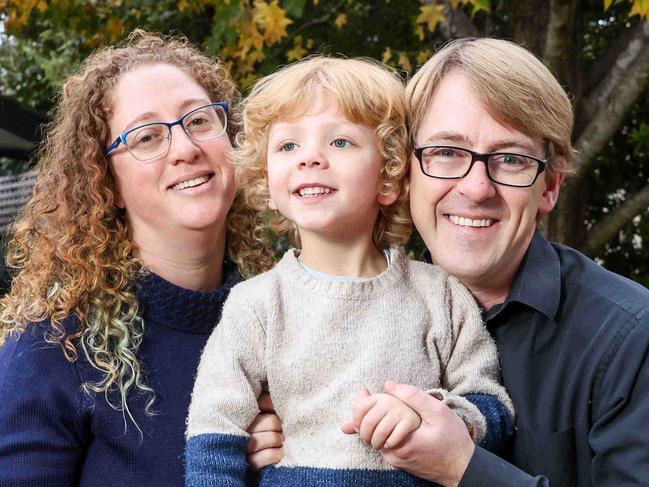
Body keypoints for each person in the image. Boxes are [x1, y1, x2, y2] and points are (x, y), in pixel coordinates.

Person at [184, 55, 514, 486]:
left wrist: (433, 415)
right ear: (268, 184)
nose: (310, 158)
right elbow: (214, 430)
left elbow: (492, 407)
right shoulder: (256, 304)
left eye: (339, 142)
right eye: (288, 146)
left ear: (388, 177)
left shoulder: (441, 295)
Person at [343, 37, 649, 486]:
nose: (476, 188)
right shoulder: (347, 308)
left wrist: (462, 468)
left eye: (510, 159)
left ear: (549, 186)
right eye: (447, 152)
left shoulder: (630, 339)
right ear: (406, 171)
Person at [0, 30, 281, 486]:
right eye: (148, 137)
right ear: (105, 184)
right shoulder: (53, 350)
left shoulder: (283, 314)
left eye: (200, 120)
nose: (186, 148)